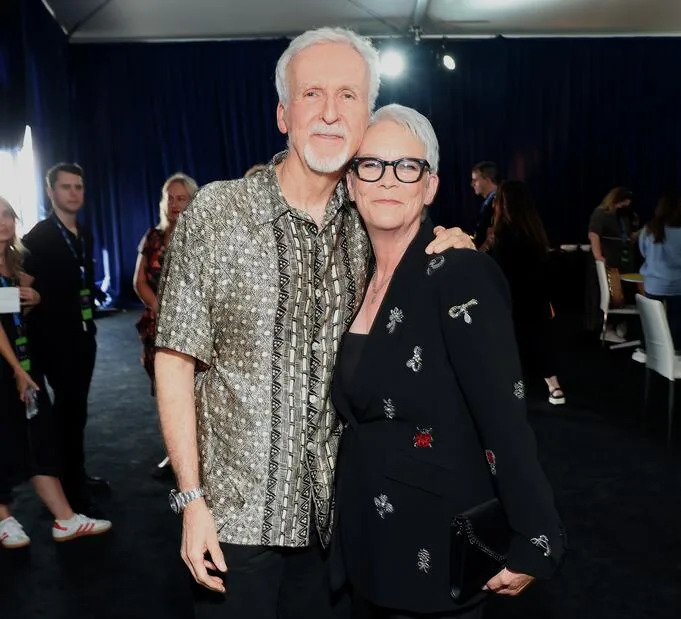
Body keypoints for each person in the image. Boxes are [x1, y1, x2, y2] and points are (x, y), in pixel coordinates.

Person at [153, 28, 472, 619]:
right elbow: (174, 359)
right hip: (235, 520)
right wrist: (191, 500)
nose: (329, 113)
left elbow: (425, 265)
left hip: (335, 525)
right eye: (311, 95)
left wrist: (453, 242)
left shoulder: (370, 222)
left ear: (367, 114)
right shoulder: (220, 213)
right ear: (282, 113)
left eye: (348, 96)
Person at [332, 105, 563, 619]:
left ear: (430, 185)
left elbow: (504, 415)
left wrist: (537, 533)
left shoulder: (459, 273)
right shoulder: (355, 280)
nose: (387, 179)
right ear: (351, 184)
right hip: (367, 545)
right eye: (370, 165)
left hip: (433, 550)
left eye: (406, 166)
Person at [0, 196, 111, 549]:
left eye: (7, 215)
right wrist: (17, 368)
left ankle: (64, 518)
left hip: (19, 362)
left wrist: (30, 297)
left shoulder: (13, 261)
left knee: (39, 433)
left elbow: (9, 307)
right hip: (9, 365)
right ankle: (4, 519)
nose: (3, 222)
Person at [22, 163, 109, 513]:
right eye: (66, 187)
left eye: (79, 186)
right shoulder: (38, 237)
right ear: (51, 192)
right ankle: (69, 490)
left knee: (77, 412)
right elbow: (19, 294)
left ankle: (76, 475)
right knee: (67, 415)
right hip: (52, 342)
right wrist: (36, 298)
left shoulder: (83, 233)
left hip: (83, 336)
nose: (74, 193)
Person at [133, 172, 198, 478]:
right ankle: (174, 455)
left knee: (196, 392)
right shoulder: (153, 237)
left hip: (195, 327)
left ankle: (202, 454)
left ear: (193, 200)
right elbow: (139, 282)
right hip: (157, 327)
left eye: (180, 198)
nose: (174, 204)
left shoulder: (203, 238)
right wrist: (161, 309)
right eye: (169, 198)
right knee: (166, 392)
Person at [483, 181, 565, 405]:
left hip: (512, 299)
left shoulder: (502, 233)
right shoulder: (534, 229)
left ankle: (509, 389)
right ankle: (555, 388)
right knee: (541, 342)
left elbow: (498, 270)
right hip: (536, 298)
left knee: (509, 344)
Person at [638, 193, 681, 354]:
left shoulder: (649, 228)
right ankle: (677, 348)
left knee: (651, 316)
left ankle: (647, 347)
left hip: (654, 281)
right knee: (677, 316)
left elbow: (643, 252)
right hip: (678, 282)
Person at [586, 186, 636, 337]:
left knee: (623, 294)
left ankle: (619, 324)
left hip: (621, 261)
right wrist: (598, 257)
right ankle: (604, 327)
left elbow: (625, 237)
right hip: (607, 262)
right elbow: (594, 235)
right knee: (605, 295)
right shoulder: (601, 213)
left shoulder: (623, 217)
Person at [470, 161, 499, 249]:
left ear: (487, 179)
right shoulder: (489, 201)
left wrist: (481, 251)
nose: (472, 184)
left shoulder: (498, 201)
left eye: (475, 180)